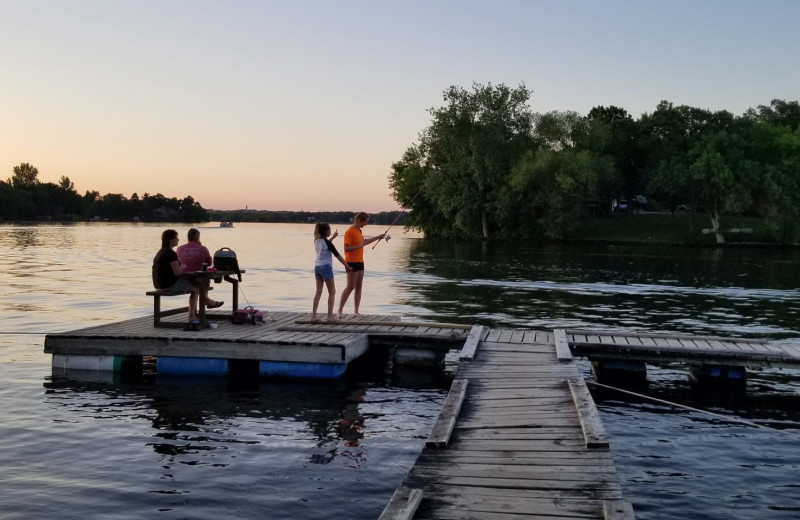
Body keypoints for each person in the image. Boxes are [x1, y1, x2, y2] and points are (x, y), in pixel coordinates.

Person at [337, 212, 388, 318]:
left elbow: (364, 242)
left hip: (360, 261)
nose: (366, 224)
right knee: (350, 286)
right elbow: (346, 248)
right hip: (351, 261)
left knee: (359, 286)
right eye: (365, 221)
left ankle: (356, 311)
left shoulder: (359, 230)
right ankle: (340, 310)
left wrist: (380, 236)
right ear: (359, 220)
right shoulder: (350, 231)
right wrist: (359, 246)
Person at [152, 229, 203, 330]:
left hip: (158, 284)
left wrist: (182, 268)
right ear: (170, 240)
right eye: (176, 238)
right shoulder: (171, 253)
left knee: (195, 283)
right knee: (196, 287)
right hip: (168, 285)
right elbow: (177, 273)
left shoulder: (161, 252)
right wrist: (191, 273)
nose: (178, 240)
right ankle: (192, 317)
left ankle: (204, 306)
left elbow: (170, 270)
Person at [312, 222, 352, 322]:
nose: (330, 231)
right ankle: (330, 317)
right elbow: (338, 255)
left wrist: (333, 237)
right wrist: (347, 266)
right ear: (326, 231)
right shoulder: (328, 243)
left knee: (318, 292)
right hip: (326, 267)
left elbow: (325, 246)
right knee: (332, 292)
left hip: (317, 267)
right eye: (329, 230)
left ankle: (313, 317)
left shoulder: (316, 240)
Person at [177, 228, 223, 309]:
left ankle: (205, 303)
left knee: (202, 278)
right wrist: (200, 247)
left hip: (183, 277)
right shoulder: (203, 248)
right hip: (198, 277)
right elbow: (209, 263)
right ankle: (206, 301)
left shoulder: (179, 248)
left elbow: (178, 263)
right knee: (205, 277)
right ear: (197, 238)